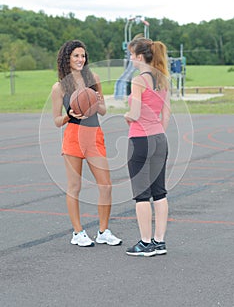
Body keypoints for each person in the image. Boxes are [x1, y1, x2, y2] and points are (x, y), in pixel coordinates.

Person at [51, 39, 122, 247]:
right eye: (76, 56)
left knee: (106, 185)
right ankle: (78, 233)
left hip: (94, 134)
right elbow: (56, 121)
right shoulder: (59, 87)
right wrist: (68, 115)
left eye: (83, 56)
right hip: (73, 135)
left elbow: (103, 111)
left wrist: (98, 102)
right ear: (67, 59)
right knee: (74, 186)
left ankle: (103, 231)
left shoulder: (94, 78)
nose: (80, 59)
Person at [124, 38, 171, 257]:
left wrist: (126, 115)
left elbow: (133, 115)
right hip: (160, 138)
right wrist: (157, 130)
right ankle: (159, 242)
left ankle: (145, 243)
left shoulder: (139, 80)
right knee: (159, 192)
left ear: (139, 56)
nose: (130, 58)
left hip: (141, 140)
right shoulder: (163, 78)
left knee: (142, 195)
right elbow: (166, 114)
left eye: (131, 54)